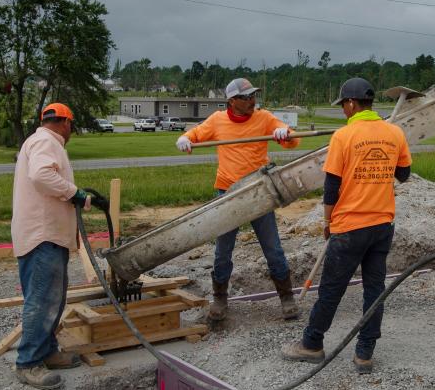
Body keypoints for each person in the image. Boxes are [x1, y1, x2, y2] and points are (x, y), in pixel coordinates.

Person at [280, 78, 411, 374]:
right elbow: (404, 174)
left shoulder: (343, 136)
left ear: (352, 103)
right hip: (381, 225)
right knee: (374, 289)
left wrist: (328, 222)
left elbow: (331, 188)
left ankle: (312, 344)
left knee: (331, 290)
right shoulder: (394, 132)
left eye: (343, 105)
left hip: (349, 226)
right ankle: (364, 353)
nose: (342, 111)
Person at [176, 77, 301, 322]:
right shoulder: (217, 121)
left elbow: (294, 139)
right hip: (228, 193)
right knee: (223, 252)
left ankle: (287, 297)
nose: (252, 100)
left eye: (253, 95)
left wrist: (284, 133)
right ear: (232, 101)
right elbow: (195, 135)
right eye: (246, 97)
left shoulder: (264, 118)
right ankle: (220, 299)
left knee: (273, 249)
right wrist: (185, 139)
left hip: (258, 192)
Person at [12, 103, 101, 390]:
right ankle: (28, 363)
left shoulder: (44, 142)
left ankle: (46, 350)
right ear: (65, 123)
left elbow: (50, 181)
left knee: (53, 298)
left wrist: (82, 196)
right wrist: (75, 193)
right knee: (41, 300)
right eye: (71, 126)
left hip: (48, 235)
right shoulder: (45, 141)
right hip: (43, 236)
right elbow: (42, 177)